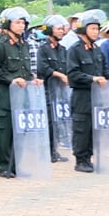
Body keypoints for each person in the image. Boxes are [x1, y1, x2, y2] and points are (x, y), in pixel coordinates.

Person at [66, 9, 109, 172]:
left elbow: (104, 70)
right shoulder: (75, 49)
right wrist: (92, 78)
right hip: (82, 95)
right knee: (81, 128)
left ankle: (89, 157)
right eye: (92, 28)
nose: (95, 32)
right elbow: (73, 74)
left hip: (97, 96)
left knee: (93, 129)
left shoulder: (97, 50)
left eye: (97, 29)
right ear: (83, 29)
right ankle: (81, 160)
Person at [0, 7, 40, 179]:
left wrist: (32, 79)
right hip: (5, 93)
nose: (21, 26)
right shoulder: (0, 45)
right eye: (17, 22)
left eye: (23, 22)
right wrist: (11, 79)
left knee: (20, 130)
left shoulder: (23, 44)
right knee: (5, 131)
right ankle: (4, 166)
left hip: (21, 94)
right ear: (8, 24)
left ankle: (16, 165)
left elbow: (24, 69)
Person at [35, 15, 70, 163]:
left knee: (57, 121)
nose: (62, 31)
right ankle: (48, 151)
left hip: (60, 91)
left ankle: (54, 150)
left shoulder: (62, 49)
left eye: (63, 29)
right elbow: (43, 67)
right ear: (49, 30)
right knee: (49, 121)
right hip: (47, 89)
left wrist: (65, 75)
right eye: (58, 29)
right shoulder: (42, 48)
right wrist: (59, 74)